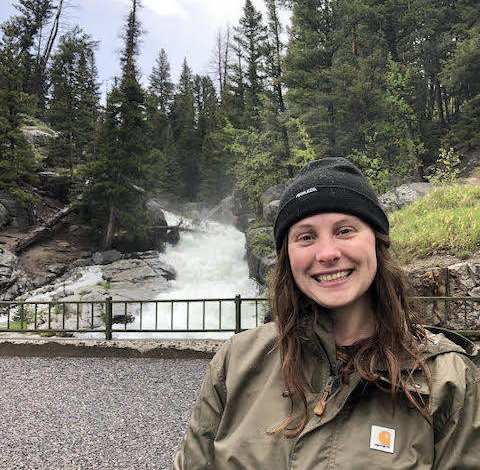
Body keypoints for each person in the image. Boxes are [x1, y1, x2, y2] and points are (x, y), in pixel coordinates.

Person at [174, 157, 480, 469]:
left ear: (377, 242)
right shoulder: (235, 362)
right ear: (287, 256)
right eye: (306, 236)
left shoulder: (448, 380)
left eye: (345, 230)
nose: (327, 253)